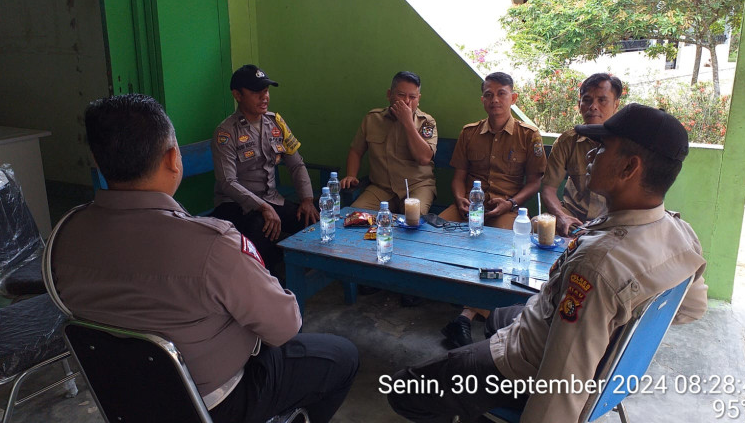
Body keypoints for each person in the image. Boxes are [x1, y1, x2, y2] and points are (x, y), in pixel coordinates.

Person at [388, 104, 708, 423]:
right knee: (502, 313)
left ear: (629, 167)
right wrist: (622, 324)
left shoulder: (598, 266)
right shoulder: (678, 233)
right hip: (576, 349)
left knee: (403, 390)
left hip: (526, 357)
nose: (590, 154)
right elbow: (691, 307)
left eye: (603, 148)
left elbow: (566, 371)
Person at [50, 94, 359, 423]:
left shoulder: (64, 236)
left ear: (97, 160)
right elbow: (285, 326)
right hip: (214, 411)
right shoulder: (212, 244)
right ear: (171, 158)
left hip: (127, 405)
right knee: (341, 356)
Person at [440, 72, 546, 347]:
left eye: (501, 93)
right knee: (434, 234)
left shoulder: (528, 135)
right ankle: (433, 291)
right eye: (488, 94)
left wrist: (510, 203)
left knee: (501, 251)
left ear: (513, 98)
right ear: (482, 100)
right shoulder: (469, 132)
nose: (495, 99)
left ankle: (466, 315)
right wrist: (461, 199)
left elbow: (535, 181)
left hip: (506, 209)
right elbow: (458, 176)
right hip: (468, 207)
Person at [211, 64, 320, 277]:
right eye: (255, 92)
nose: (264, 97)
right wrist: (261, 206)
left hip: (272, 199)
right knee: (260, 228)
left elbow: (296, 164)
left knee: (314, 220)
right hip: (236, 205)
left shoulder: (275, 122)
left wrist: (307, 199)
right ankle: (270, 281)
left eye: (266, 91)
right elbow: (227, 182)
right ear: (237, 95)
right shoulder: (226, 132)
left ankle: (294, 272)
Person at [340, 71, 437, 215]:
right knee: (355, 217)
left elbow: (424, 158)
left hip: (417, 187)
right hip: (381, 189)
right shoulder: (373, 119)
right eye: (401, 95)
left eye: (412, 97)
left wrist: (408, 123)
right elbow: (356, 150)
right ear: (389, 94)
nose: (407, 101)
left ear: (419, 98)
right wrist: (351, 175)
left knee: (415, 218)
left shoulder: (426, 122)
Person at [541, 73, 622, 237]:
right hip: (572, 222)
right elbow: (548, 189)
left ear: (616, 105)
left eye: (602, 100)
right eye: (587, 100)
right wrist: (562, 216)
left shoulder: (627, 144)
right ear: (579, 104)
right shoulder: (567, 141)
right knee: (537, 230)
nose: (593, 106)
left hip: (609, 225)